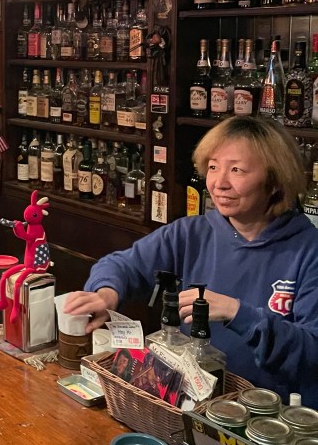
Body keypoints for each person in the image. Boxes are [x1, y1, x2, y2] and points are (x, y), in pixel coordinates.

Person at [64, 116, 318, 406]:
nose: (219, 183)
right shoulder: (192, 232)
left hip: (268, 418)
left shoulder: (308, 250)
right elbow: (123, 265)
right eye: (213, 167)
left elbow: (311, 355)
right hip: (192, 405)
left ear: (275, 181)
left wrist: (239, 313)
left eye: (236, 169)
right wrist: (107, 293)